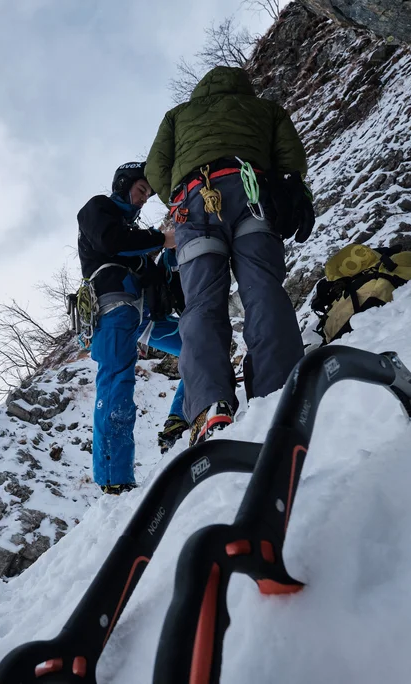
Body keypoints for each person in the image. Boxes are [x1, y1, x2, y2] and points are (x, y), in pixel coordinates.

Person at [145, 65, 315, 446]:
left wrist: (178, 196)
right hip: (252, 194)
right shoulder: (265, 109)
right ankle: (278, 387)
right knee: (262, 288)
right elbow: (291, 159)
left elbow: (155, 168)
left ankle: (210, 404)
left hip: (195, 206)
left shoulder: (177, 116)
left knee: (201, 303)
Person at [77, 161, 187, 494]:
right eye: (141, 190)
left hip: (141, 314)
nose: (143, 199)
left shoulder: (134, 240)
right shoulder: (98, 209)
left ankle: (179, 422)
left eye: (148, 195)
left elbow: (151, 271)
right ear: (123, 184)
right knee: (116, 383)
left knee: (200, 345)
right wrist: (162, 238)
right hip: (113, 309)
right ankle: (114, 478)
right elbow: (111, 240)